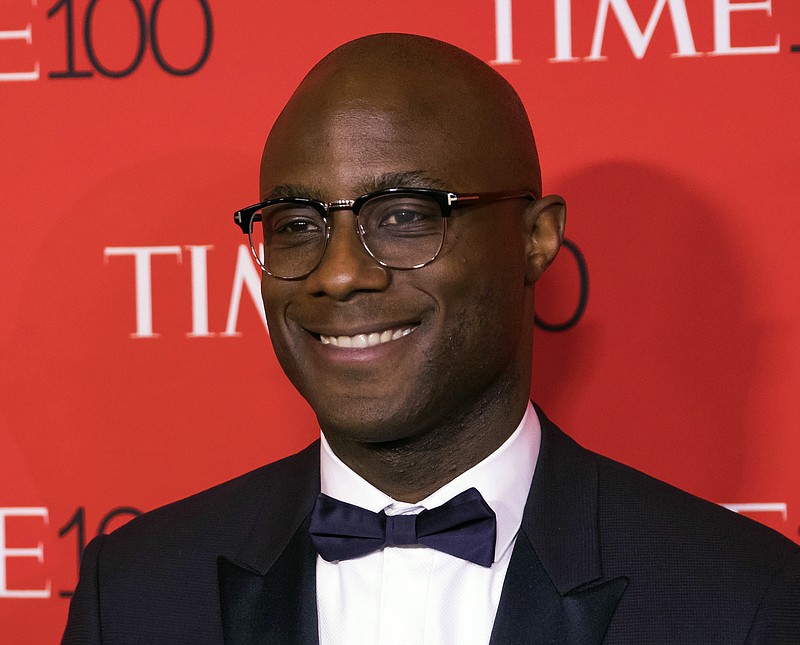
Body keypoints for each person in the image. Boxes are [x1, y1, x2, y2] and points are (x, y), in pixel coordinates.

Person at [62, 33, 800, 644]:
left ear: (536, 237)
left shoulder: (742, 602)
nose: (340, 274)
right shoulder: (132, 596)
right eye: (296, 226)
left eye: (405, 214)